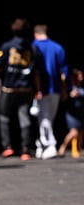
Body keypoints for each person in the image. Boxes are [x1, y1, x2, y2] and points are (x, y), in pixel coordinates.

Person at [0, 18, 41, 161]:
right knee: (24, 118)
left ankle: (7, 147)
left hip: (9, 88)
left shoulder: (7, 46)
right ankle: (26, 149)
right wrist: (38, 89)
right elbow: (36, 71)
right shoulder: (33, 49)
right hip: (25, 88)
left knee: (4, 117)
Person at [32, 24, 69, 160]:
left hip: (40, 89)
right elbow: (64, 72)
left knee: (44, 118)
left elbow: (34, 71)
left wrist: (37, 89)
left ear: (35, 34)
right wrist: (66, 89)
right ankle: (41, 144)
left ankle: (49, 144)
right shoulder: (57, 48)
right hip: (55, 88)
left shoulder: (33, 47)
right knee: (47, 118)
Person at [58, 68, 84, 158]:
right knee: (74, 132)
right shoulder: (69, 88)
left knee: (80, 132)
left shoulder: (80, 88)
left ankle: (78, 150)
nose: (81, 78)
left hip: (80, 113)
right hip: (72, 113)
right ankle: (63, 147)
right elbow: (63, 97)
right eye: (79, 76)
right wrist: (69, 94)